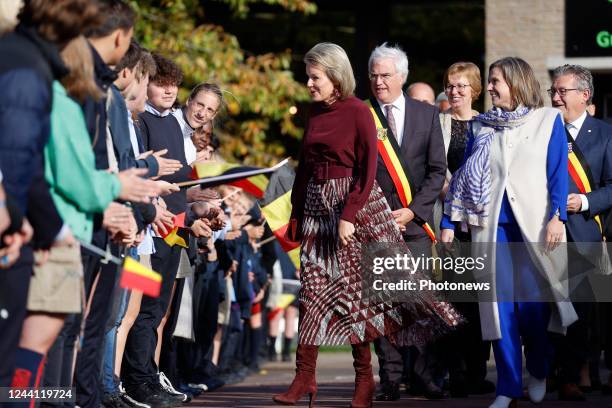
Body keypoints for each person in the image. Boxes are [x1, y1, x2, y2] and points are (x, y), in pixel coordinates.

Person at [273, 42, 459, 408]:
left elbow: (367, 170)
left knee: (358, 299)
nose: (309, 83)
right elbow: (305, 167)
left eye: (315, 77)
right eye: (308, 77)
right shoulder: (312, 112)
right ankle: (304, 377)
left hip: (351, 208)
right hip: (314, 206)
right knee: (311, 296)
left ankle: (364, 381)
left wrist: (348, 216)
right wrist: (296, 216)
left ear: (335, 76)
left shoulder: (359, 112)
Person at [440, 57, 578, 408]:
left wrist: (558, 217)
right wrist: (448, 223)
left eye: (495, 81)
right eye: (489, 81)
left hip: (535, 228)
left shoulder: (548, 121)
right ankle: (507, 387)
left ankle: (538, 367)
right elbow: (464, 179)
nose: (489, 88)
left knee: (532, 308)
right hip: (492, 230)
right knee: (498, 310)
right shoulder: (482, 127)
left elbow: (558, 174)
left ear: (515, 83)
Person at [0, 0, 100, 387]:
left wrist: (45, 226)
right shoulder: (26, 71)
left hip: (24, 225)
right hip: (13, 234)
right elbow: (16, 156)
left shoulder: (23, 60)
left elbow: (30, 164)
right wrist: (13, 214)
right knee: (11, 366)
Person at [366, 43, 448, 400]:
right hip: (377, 225)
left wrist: (413, 211)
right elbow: (358, 175)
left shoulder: (424, 114)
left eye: (385, 75)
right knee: (384, 305)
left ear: (402, 76)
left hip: (415, 226)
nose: (379, 81)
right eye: (374, 75)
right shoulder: (362, 115)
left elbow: (436, 171)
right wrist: (379, 215)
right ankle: (390, 378)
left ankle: (422, 375)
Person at [548, 64, 612, 401]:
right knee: (547, 309)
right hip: (546, 233)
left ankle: (571, 375)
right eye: (553, 91)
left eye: (562, 91)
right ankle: (550, 372)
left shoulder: (605, 133)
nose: (556, 97)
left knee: (579, 311)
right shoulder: (544, 130)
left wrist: (585, 202)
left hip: (585, 233)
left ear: (584, 95)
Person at [436, 61, 495, 397]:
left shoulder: (488, 126)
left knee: (481, 300)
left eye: (461, 86)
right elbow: (433, 167)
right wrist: (454, 194)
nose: (454, 92)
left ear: (475, 89)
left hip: (481, 227)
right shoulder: (437, 123)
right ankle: (455, 372)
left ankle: (477, 371)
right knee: (454, 299)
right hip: (448, 224)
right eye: (450, 85)